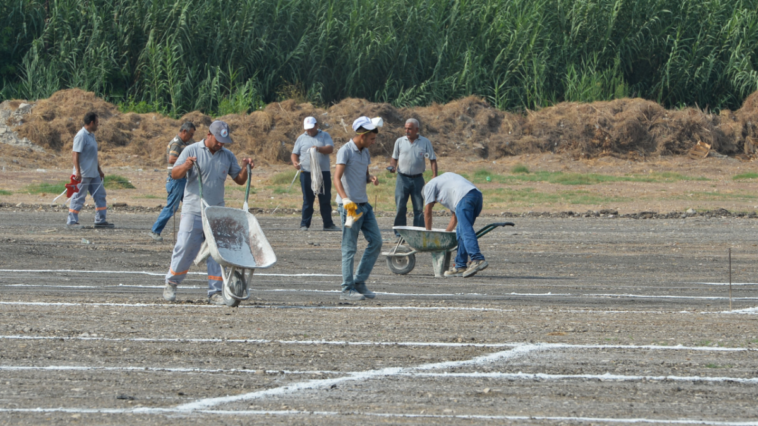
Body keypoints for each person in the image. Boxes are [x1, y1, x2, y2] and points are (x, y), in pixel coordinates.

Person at [163, 120, 254, 305]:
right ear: (209, 135)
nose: (220, 144)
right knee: (185, 246)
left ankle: (215, 292)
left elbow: (239, 179)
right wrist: (186, 166)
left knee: (217, 253)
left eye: (224, 141)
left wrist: (246, 168)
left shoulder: (227, 156)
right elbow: (175, 174)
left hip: (216, 212)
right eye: (218, 140)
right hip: (193, 210)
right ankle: (171, 282)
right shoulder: (191, 150)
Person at [333, 116, 382, 301]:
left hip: (364, 205)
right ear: (362, 135)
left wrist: (371, 178)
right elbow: (336, 178)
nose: (373, 141)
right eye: (372, 138)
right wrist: (345, 199)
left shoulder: (365, 152)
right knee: (349, 247)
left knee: (376, 241)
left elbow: (364, 173)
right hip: (350, 207)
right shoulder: (344, 151)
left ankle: (359, 282)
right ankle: (346, 289)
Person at [423, 172, 487, 278]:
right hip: (476, 196)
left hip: (465, 197)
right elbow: (455, 217)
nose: (434, 203)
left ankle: (477, 258)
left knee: (465, 230)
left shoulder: (429, 186)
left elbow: (427, 212)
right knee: (461, 231)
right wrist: (446, 234)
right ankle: (460, 265)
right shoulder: (445, 184)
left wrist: (428, 234)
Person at [388, 118, 437, 236]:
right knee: (400, 207)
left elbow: (433, 160)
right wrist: (393, 166)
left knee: (419, 208)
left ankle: (418, 233)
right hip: (402, 179)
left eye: (409, 128)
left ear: (417, 129)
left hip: (418, 179)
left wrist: (435, 176)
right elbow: (394, 158)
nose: (407, 131)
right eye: (405, 128)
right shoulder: (399, 141)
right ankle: (400, 233)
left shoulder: (425, 142)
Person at [66, 112, 114, 229]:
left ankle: (100, 221)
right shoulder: (81, 135)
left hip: (94, 174)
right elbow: (75, 153)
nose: (98, 125)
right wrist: (78, 171)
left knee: (100, 195)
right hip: (83, 174)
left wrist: (99, 170)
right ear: (91, 122)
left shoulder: (91, 135)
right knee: (78, 197)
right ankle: (72, 222)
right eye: (97, 123)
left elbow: (94, 155)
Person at [291, 116, 340, 231]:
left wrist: (318, 149)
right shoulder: (301, 138)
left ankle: (328, 224)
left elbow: (330, 149)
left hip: (323, 173)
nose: (309, 131)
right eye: (307, 129)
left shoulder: (325, 135)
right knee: (308, 200)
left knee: (325, 199)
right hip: (306, 173)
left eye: (311, 128)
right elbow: (295, 153)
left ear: (316, 125)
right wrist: (295, 162)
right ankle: (304, 224)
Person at [149, 122, 196, 242]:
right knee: (172, 207)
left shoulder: (185, 143)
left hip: (182, 180)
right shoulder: (177, 143)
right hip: (176, 180)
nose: (191, 137)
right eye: (190, 134)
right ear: (184, 132)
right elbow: (171, 158)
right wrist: (186, 160)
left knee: (191, 205)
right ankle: (155, 231)